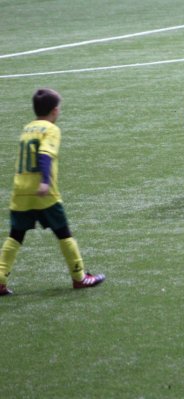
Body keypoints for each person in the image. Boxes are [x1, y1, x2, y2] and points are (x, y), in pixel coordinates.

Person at [0, 89, 105, 296]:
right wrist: (45, 182)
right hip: (44, 192)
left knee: (15, 236)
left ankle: (0, 279)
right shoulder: (51, 129)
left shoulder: (28, 128)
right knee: (64, 234)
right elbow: (45, 155)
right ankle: (80, 277)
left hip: (20, 190)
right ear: (55, 110)